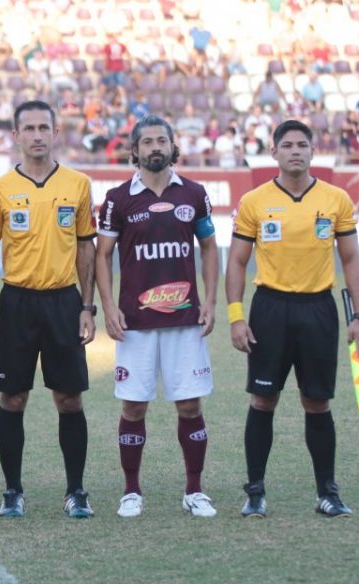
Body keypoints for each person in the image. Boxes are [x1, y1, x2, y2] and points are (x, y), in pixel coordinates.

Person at [225, 120, 359, 519]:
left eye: (302, 145)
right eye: (286, 145)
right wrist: (236, 318)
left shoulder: (336, 199)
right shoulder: (254, 201)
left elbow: (351, 258)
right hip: (270, 309)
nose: (295, 151)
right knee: (263, 399)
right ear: (274, 152)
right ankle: (255, 492)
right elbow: (236, 262)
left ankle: (328, 493)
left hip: (318, 309)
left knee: (317, 402)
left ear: (312, 151)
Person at [94, 115, 220, 518]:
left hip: (185, 322)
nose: (154, 147)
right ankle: (131, 491)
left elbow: (211, 248)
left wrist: (211, 301)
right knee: (133, 407)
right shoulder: (117, 199)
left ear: (172, 146)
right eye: (146, 141)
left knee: (190, 405)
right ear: (134, 150)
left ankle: (195, 491)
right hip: (135, 323)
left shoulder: (195, 194)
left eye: (161, 140)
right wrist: (109, 306)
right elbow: (102, 255)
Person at [0, 100, 97, 519]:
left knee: (69, 399)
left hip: (64, 302)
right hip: (16, 302)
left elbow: (87, 248)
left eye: (43, 127)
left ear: (56, 132)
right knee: (13, 398)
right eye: (28, 129)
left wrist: (88, 305)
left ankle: (76, 491)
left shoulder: (78, 184)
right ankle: (12, 491)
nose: (37, 135)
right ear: (15, 136)